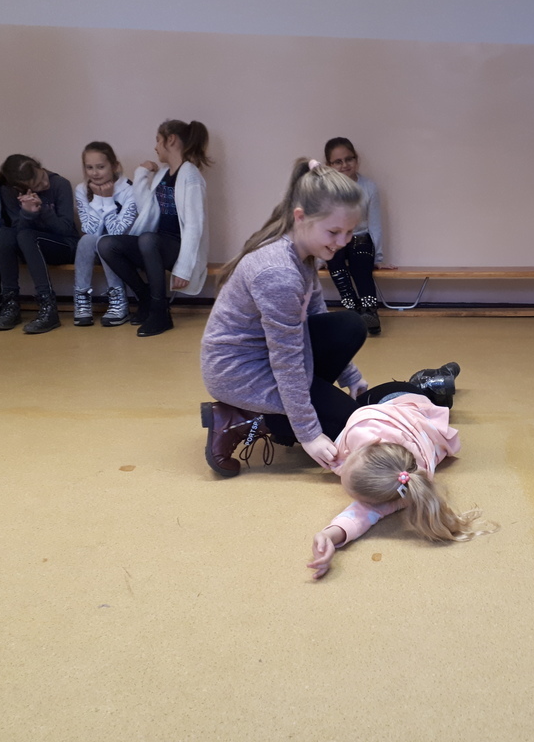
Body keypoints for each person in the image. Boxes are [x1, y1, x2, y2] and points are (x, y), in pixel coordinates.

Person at [200, 157, 455, 478]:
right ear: (301, 217)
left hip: (268, 361)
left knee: (349, 327)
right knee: (349, 427)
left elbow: (317, 323)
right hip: (240, 374)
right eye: (334, 231)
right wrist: (309, 435)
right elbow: (287, 360)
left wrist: (351, 377)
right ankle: (243, 418)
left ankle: (292, 413)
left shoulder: (305, 252)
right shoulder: (278, 272)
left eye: (349, 232)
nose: (343, 242)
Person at [307, 387, 495, 580]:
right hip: (397, 398)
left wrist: (331, 535)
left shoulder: (401, 488)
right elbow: (363, 511)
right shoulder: (363, 436)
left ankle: (432, 388)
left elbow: (363, 513)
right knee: (364, 399)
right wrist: (328, 536)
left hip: (411, 409)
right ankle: (428, 387)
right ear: (372, 444)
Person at [98, 120, 211, 336]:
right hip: (154, 244)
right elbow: (147, 210)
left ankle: (160, 313)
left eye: (158, 140)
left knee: (148, 239)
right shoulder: (163, 173)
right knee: (106, 244)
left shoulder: (191, 175)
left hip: (179, 248)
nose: (155, 147)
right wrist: (141, 173)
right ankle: (147, 300)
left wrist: (184, 268)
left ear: (171, 140)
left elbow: (194, 225)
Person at [0, 155, 77, 334]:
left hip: (64, 245)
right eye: (38, 185)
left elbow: (65, 228)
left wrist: (43, 211)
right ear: (21, 189)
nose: (44, 184)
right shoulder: (9, 190)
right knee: (5, 235)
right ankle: (10, 303)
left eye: (43, 176)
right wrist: (26, 213)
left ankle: (48, 306)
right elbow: (17, 229)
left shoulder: (60, 184)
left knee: (26, 236)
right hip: (28, 246)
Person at [323, 137, 390, 335]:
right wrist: (320, 256)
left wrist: (377, 258)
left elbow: (374, 224)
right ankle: (352, 310)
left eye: (349, 159)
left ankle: (370, 312)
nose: (344, 165)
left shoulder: (369, 187)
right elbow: (321, 224)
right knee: (336, 264)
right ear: (329, 165)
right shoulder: (325, 190)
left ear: (356, 159)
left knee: (361, 265)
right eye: (338, 161)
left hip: (360, 238)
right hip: (335, 240)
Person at [73, 142, 137, 327]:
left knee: (105, 241)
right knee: (86, 240)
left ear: (114, 166)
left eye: (101, 167)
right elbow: (89, 230)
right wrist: (97, 198)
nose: (95, 173)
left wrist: (107, 200)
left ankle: (118, 299)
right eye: (89, 167)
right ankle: (82, 297)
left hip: (124, 248)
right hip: (96, 247)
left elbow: (117, 232)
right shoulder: (81, 189)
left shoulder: (129, 190)